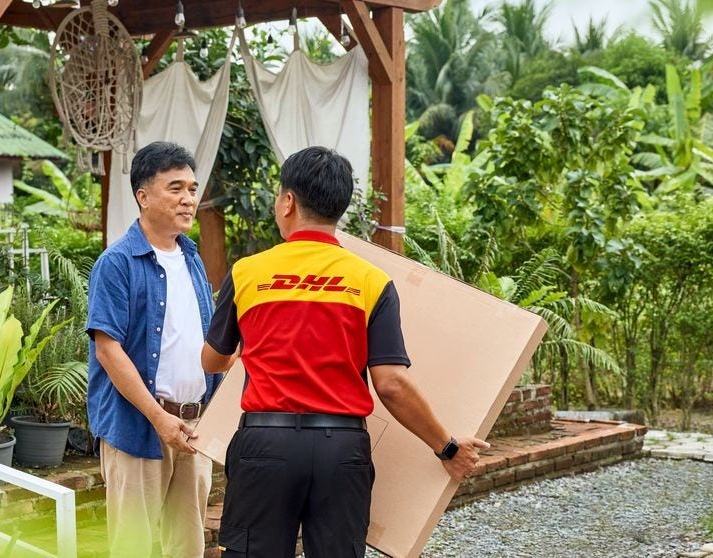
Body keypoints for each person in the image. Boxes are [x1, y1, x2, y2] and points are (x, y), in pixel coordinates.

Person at [201, 146, 489, 558]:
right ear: (339, 207)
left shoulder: (248, 273)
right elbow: (390, 384)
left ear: (288, 201)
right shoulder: (370, 280)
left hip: (265, 446)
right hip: (342, 450)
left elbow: (212, 361)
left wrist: (248, 345)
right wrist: (446, 447)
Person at [86, 141, 222, 558]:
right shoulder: (117, 263)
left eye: (193, 189)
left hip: (194, 425)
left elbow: (204, 339)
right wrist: (159, 418)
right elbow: (108, 351)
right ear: (143, 196)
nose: (188, 200)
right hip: (139, 428)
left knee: (188, 546)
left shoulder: (192, 258)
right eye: (175, 188)